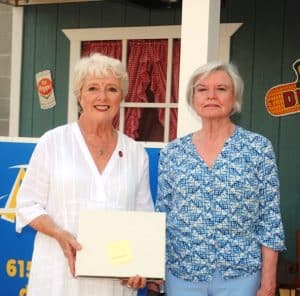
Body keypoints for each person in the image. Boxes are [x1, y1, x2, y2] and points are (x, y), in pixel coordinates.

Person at [16, 53, 154, 296]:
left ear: (121, 97)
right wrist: (59, 234)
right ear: (80, 96)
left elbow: (143, 216)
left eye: (111, 89)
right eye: (93, 88)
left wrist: (139, 266)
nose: (102, 97)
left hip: (114, 283)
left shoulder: (135, 152)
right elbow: (27, 205)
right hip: (60, 277)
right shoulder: (53, 142)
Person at [155, 61, 285, 296]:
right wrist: (155, 268)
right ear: (193, 98)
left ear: (234, 97)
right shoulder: (172, 152)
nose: (211, 96)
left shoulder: (258, 148)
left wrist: (268, 282)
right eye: (202, 89)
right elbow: (162, 215)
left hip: (240, 275)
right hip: (182, 273)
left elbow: (270, 219)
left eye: (221, 89)